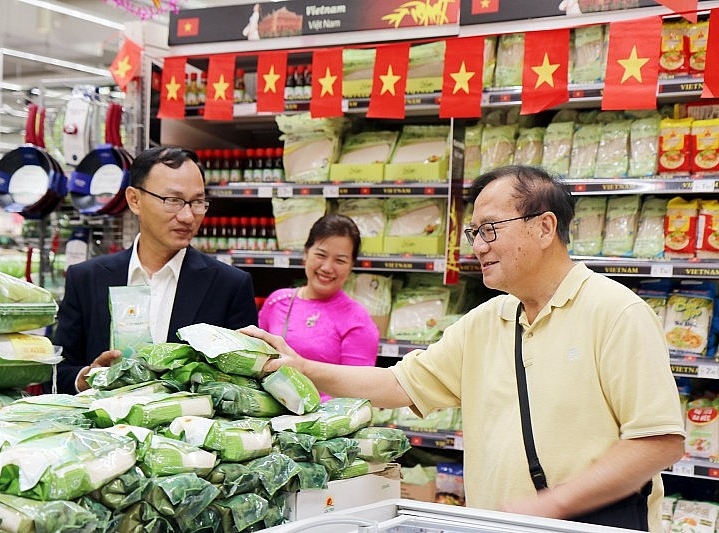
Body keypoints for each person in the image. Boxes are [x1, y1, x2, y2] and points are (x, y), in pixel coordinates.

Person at [242, 165, 685, 531]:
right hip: (495, 525)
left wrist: (551, 506)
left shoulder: (616, 313)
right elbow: (398, 383)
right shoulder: (487, 321)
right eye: (474, 232)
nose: (476, 246)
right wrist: (302, 366)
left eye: (489, 230)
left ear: (544, 227)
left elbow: (658, 442)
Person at [51, 146, 258, 394]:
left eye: (197, 202)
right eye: (173, 201)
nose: (187, 216)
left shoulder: (229, 286)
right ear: (134, 200)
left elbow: (246, 383)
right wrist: (85, 378)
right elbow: (55, 371)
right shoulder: (87, 278)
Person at [258, 213, 379, 400]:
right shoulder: (277, 302)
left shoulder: (358, 321)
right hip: (271, 417)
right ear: (306, 253)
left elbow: (356, 392)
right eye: (321, 255)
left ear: (351, 265)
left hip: (325, 423)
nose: (327, 267)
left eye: (340, 260)